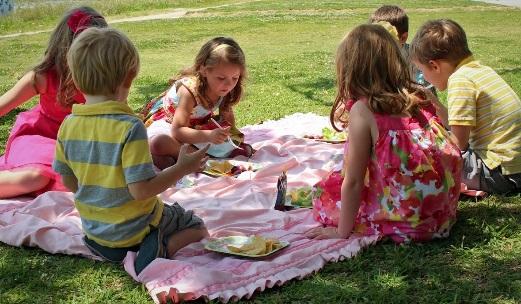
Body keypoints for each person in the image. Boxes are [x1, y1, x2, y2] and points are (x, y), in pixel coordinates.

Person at [53, 27, 209, 274]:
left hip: (95, 232)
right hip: (135, 230)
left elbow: (69, 181)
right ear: (128, 78)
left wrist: (102, 200)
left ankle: (114, 248)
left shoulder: (68, 125)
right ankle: (159, 247)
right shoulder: (129, 127)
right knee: (196, 225)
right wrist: (181, 169)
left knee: (128, 224)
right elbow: (142, 190)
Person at [305, 24, 462, 243]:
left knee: (326, 195)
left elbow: (354, 180)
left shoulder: (364, 110)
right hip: (439, 217)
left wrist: (342, 232)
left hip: (404, 224)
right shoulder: (417, 96)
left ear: (349, 67)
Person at [0, 7, 107, 198]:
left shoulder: (102, 81)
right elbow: (3, 105)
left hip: (76, 145)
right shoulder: (43, 77)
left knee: (90, 178)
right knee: (36, 177)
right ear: (66, 48)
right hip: (39, 137)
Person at [410, 19, 521, 194]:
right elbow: (460, 129)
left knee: (423, 161)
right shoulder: (479, 70)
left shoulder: (460, 81)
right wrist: (435, 103)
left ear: (434, 65)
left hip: (501, 174)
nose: (423, 76)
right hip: (514, 167)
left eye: (421, 71)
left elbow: (458, 145)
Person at [143, 37, 253, 169]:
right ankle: (195, 158)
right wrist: (209, 136)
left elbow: (228, 123)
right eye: (221, 78)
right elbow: (177, 131)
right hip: (169, 124)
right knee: (159, 142)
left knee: (225, 143)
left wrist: (230, 139)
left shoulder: (225, 87)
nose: (229, 84)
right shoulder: (189, 91)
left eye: (235, 78)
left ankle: (177, 159)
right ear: (204, 70)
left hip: (197, 127)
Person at [370, 5, 436, 93]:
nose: (379, 44)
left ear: (403, 38)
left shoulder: (417, 60)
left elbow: (427, 96)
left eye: (386, 39)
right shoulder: (369, 58)